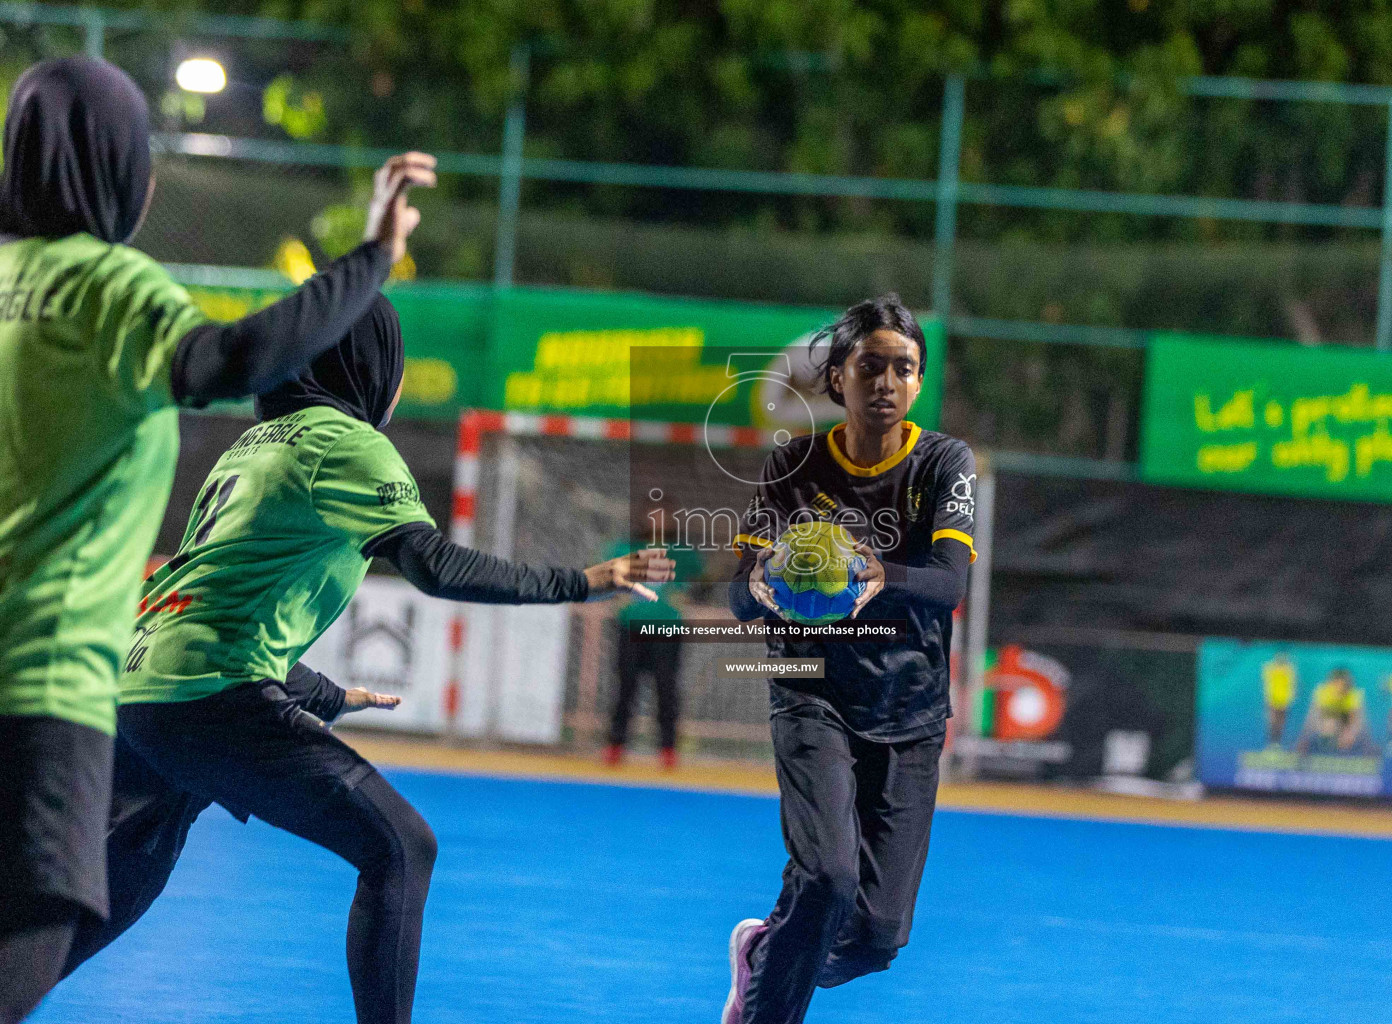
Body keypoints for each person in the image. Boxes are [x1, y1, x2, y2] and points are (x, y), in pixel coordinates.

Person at [54, 295, 672, 1024]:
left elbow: (217, 594)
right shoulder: (345, 441)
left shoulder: (252, 447)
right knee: (401, 848)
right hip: (209, 695)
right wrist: (581, 582)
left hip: (144, 686)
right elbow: (434, 564)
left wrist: (322, 693)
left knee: (122, 883)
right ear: (369, 363)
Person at [0, 55, 434, 1024]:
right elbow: (229, 356)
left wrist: (313, 689)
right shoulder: (103, 285)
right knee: (32, 927)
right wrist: (371, 257)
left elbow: (206, 600)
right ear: (114, 169)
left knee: (96, 886)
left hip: (99, 677)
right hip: (50, 671)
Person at [721, 294, 976, 1024]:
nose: (887, 382)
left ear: (919, 382)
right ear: (839, 377)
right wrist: (768, 583)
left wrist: (871, 577)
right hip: (812, 693)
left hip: (911, 709)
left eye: (904, 368)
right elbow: (738, 597)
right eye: (871, 365)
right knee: (829, 876)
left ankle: (766, 954)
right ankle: (769, 1003)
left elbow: (949, 585)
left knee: (877, 938)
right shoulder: (794, 462)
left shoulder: (944, 463)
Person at [603, 535, 701, 770]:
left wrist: (690, 594)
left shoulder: (682, 552)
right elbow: (604, 573)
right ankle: (615, 745)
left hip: (667, 632)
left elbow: (705, 576)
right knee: (625, 688)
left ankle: (668, 749)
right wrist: (615, 595)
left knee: (666, 690)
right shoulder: (625, 548)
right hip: (631, 630)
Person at [1296, 666, 1374, 755]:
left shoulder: (1355, 696)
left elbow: (1359, 723)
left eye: (1344, 686)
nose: (1340, 689)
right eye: (1337, 685)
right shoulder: (1322, 693)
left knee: (1351, 737)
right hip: (1328, 718)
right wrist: (1306, 740)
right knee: (1328, 726)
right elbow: (1311, 720)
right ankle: (1324, 746)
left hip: (1345, 720)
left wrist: (1350, 735)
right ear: (1331, 683)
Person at [1261, 652, 1297, 747]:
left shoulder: (1289, 669)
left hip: (1284, 701)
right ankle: (1271, 743)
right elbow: (1267, 684)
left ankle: (1277, 743)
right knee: (1272, 722)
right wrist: (1268, 699)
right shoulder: (1269, 667)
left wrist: (1289, 699)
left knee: (1280, 723)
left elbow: (1292, 685)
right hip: (1272, 700)